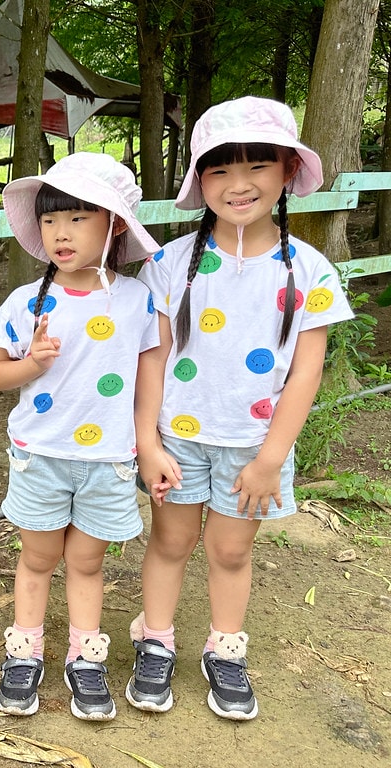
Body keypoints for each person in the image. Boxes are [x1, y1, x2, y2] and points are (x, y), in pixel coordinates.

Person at [127, 96, 354, 721]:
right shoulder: (170, 264)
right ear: (200, 182)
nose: (239, 183)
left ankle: (225, 650)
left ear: (286, 172)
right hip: (177, 440)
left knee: (230, 551)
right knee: (170, 543)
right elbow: (152, 358)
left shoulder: (310, 270)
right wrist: (148, 442)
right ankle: (157, 640)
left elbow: (307, 373)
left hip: (253, 447)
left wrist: (269, 459)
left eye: (257, 165)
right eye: (220, 169)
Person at [0, 152, 161, 720]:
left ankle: (85, 657)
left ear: (114, 226)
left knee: (87, 563)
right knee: (37, 559)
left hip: (108, 461)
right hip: (41, 457)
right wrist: (31, 364)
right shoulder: (26, 302)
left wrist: (148, 446)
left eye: (79, 217)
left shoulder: (138, 301)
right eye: (51, 219)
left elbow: (147, 384)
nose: (61, 231)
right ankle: (25, 649)